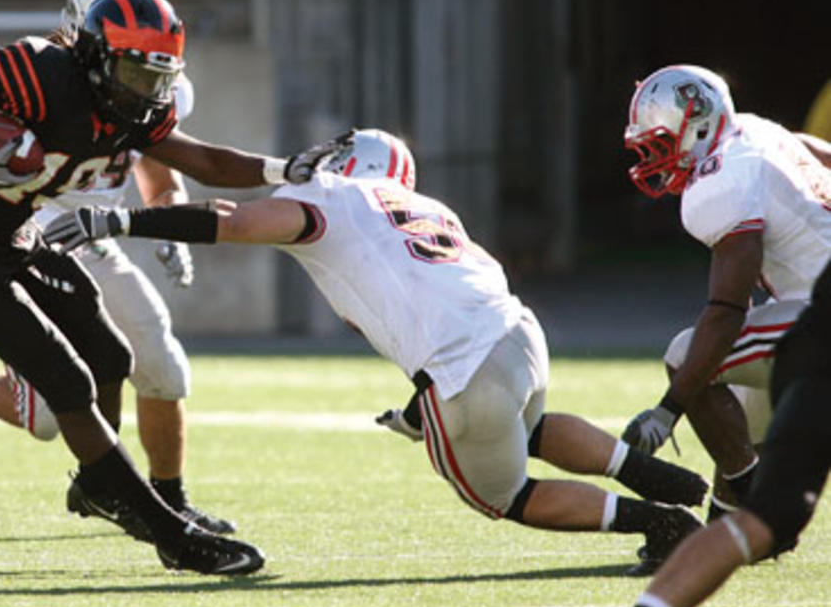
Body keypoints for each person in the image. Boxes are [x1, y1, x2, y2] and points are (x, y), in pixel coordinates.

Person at [44, 128, 712, 574]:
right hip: (519, 337)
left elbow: (233, 221)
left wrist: (122, 218)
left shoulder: (331, 197)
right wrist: (424, 411)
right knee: (524, 427)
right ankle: (650, 473)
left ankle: (659, 521)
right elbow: (433, 309)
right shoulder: (431, 210)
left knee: (500, 494)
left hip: (466, 367)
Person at [0, 0, 315, 575]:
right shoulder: (41, 73)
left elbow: (207, 162)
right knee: (64, 380)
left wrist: (283, 169)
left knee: (110, 354)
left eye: (158, 77)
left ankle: (99, 484)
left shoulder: (127, 109)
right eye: (135, 74)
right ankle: (169, 532)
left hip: (14, 238)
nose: (147, 92)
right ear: (93, 57)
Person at [0, 0, 234, 540]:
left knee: (159, 359)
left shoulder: (152, 79)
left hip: (96, 238)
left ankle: (171, 500)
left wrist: (166, 222)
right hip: (32, 237)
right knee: (45, 416)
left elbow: (159, 166)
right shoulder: (44, 74)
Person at [580, 258, 831, 607]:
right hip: (816, 345)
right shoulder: (726, 196)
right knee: (768, 515)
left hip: (809, 339)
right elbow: (730, 304)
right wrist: (670, 409)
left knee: (766, 517)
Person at [619, 65, 831, 523]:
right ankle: (725, 526)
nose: (654, 159)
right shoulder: (753, 130)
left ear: (697, 126)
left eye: (660, 145)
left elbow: (728, 311)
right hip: (808, 303)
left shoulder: (721, 180)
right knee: (740, 411)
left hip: (821, 316)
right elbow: (819, 153)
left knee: (687, 356)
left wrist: (667, 410)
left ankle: (761, 507)